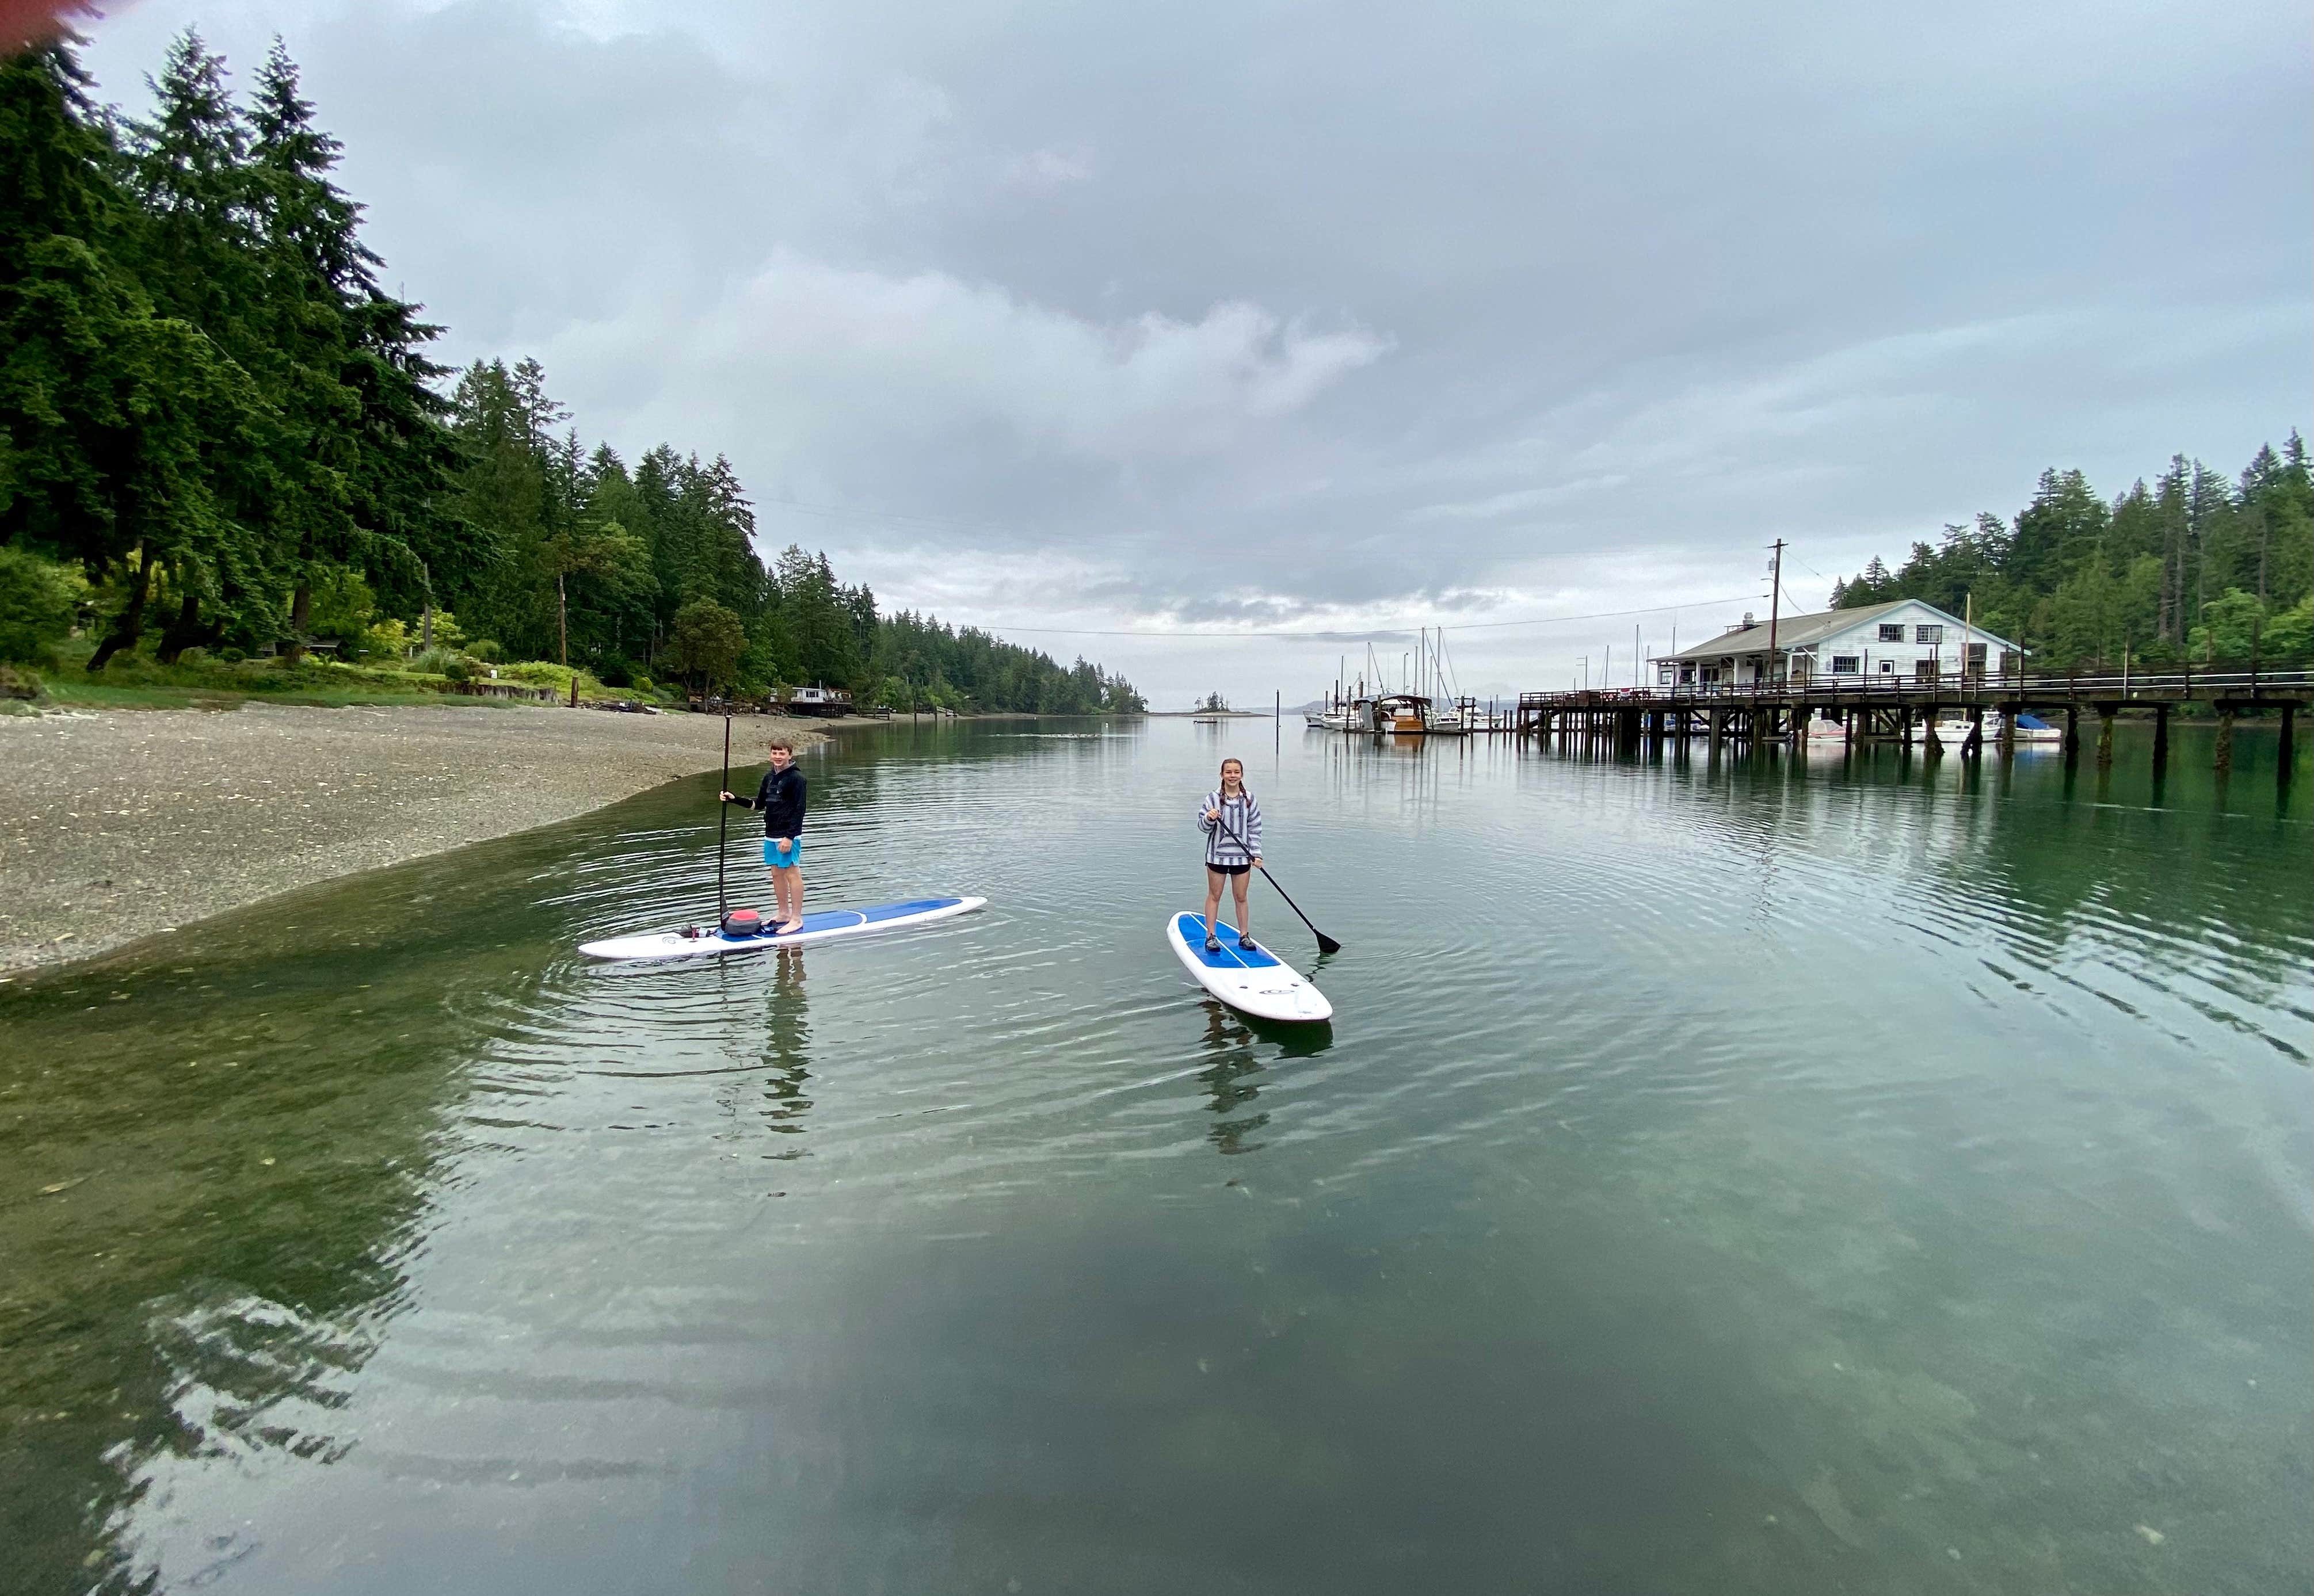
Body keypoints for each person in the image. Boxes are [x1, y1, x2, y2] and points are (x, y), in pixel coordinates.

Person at [722, 737, 806, 934]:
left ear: (790, 755)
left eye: (782, 753)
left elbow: (800, 810)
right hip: (771, 834)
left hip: (788, 835)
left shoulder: (797, 779)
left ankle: (796, 918)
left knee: (792, 873)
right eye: (775, 753)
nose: (778, 757)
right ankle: (784, 914)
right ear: (771, 755)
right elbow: (759, 804)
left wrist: (790, 837)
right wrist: (734, 800)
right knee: (776, 874)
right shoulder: (769, 778)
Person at [1198, 757, 1263, 952]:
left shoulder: (1250, 800)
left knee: (1241, 897)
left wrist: (1256, 854)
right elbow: (1202, 827)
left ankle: (1244, 935)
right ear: (1222, 775)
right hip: (1217, 857)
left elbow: (1255, 829)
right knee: (1215, 895)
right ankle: (1211, 936)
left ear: (1242, 775)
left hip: (1242, 858)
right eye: (1228, 772)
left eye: (1236, 772)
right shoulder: (1213, 798)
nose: (1232, 776)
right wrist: (1209, 818)